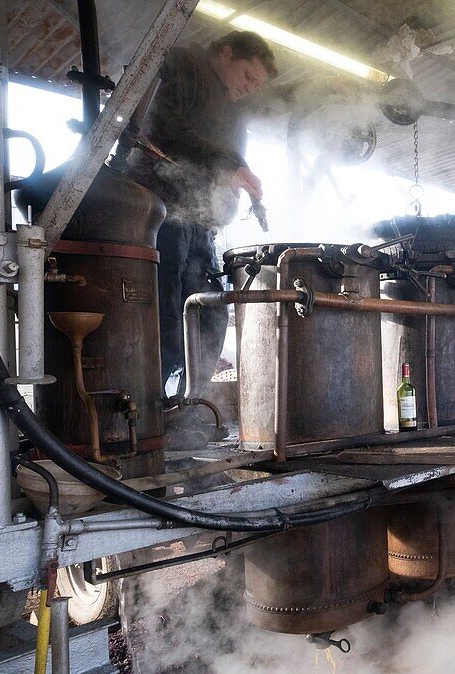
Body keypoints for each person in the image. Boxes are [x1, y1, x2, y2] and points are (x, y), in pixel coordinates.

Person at [128, 31, 276, 444]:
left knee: (210, 315)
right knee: (164, 315)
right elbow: (160, 124)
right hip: (160, 214)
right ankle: (148, 415)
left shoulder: (229, 111)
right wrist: (225, 164)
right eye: (247, 75)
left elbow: (224, 161)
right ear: (224, 52)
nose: (248, 87)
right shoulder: (182, 64)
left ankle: (188, 406)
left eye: (256, 84)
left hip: (200, 227)